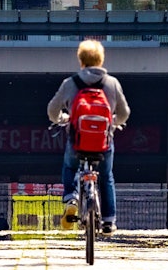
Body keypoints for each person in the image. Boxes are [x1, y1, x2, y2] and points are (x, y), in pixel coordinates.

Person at [47, 39, 130, 234]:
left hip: (78, 142)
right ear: (101, 60)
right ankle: (109, 220)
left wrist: (61, 119)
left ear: (80, 60)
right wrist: (114, 122)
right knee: (107, 176)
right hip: (103, 141)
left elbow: (52, 110)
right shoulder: (112, 83)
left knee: (70, 166)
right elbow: (125, 112)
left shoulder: (70, 83)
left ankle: (71, 198)